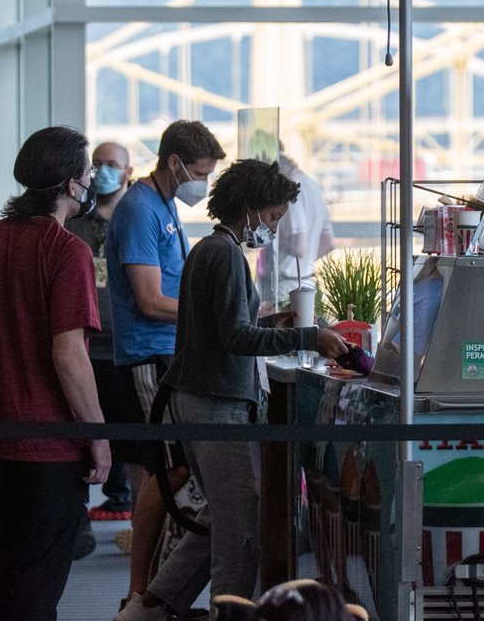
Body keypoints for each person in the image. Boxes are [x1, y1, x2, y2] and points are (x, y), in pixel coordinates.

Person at [117, 158, 348, 621]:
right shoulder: (224, 255)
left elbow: (225, 327)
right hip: (214, 404)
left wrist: (272, 323)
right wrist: (307, 336)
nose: (275, 228)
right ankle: (231, 610)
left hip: (203, 399)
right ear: (250, 209)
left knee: (216, 516)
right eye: (274, 217)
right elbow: (236, 339)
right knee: (240, 525)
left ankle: (154, 605)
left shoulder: (211, 250)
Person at [0, 125, 110, 621]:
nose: (90, 182)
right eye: (86, 174)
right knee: (36, 587)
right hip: (50, 446)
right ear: (68, 184)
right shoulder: (67, 251)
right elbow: (68, 354)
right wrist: (97, 434)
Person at [106, 120, 225, 608]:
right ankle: (140, 590)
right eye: (199, 172)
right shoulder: (139, 210)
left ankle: (154, 585)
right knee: (169, 471)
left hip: (169, 351)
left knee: (175, 470)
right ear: (174, 163)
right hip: (147, 353)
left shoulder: (164, 205)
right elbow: (150, 299)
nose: (203, 184)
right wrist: (214, 309)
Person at [65, 139, 136, 521]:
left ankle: (121, 494)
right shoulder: (75, 222)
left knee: (124, 422)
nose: (103, 171)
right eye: (97, 164)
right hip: (82, 339)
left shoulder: (136, 219)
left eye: (111, 164)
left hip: (124, 338)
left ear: (128, 172)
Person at [257, 150, 335, 312]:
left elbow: (300, 247)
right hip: (308, 281)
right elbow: (328, 243)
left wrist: (273, 238)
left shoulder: (290, 192)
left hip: (286, 287)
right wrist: (306, 264)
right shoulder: (312, 185)